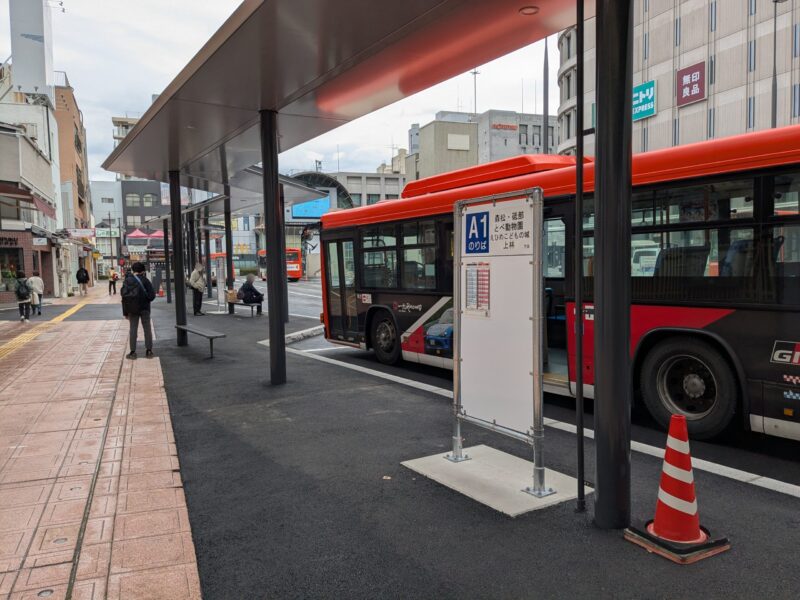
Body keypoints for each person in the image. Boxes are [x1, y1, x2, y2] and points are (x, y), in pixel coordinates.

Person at [121, 262, 156, 360]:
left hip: (132, 309)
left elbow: (124, 297)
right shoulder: (146, 280)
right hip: (145, 308)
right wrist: (146, 299)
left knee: (133, 329)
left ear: (133, 270)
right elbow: (152, 295)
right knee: (147, 329)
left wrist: (125, 312)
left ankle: (132, 352)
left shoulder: (128, 281)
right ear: (143, 271)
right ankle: (149, 351)